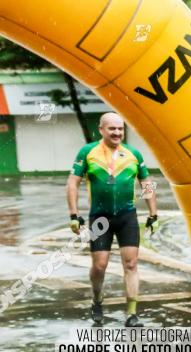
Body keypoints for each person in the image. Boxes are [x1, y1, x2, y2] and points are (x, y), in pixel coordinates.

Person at [67, 112, 157, 327]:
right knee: (99, 266)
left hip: (127, 216)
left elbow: (147, 183)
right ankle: (97, 301)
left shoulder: (133, 154)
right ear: (101, 130)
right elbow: (72, 183)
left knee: (131, 264)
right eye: (112, 129)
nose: (117, 133)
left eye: (120, 129)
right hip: (100, 217)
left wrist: (153, 214)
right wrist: (73, 214)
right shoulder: (88, 152)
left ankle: (132, 314)